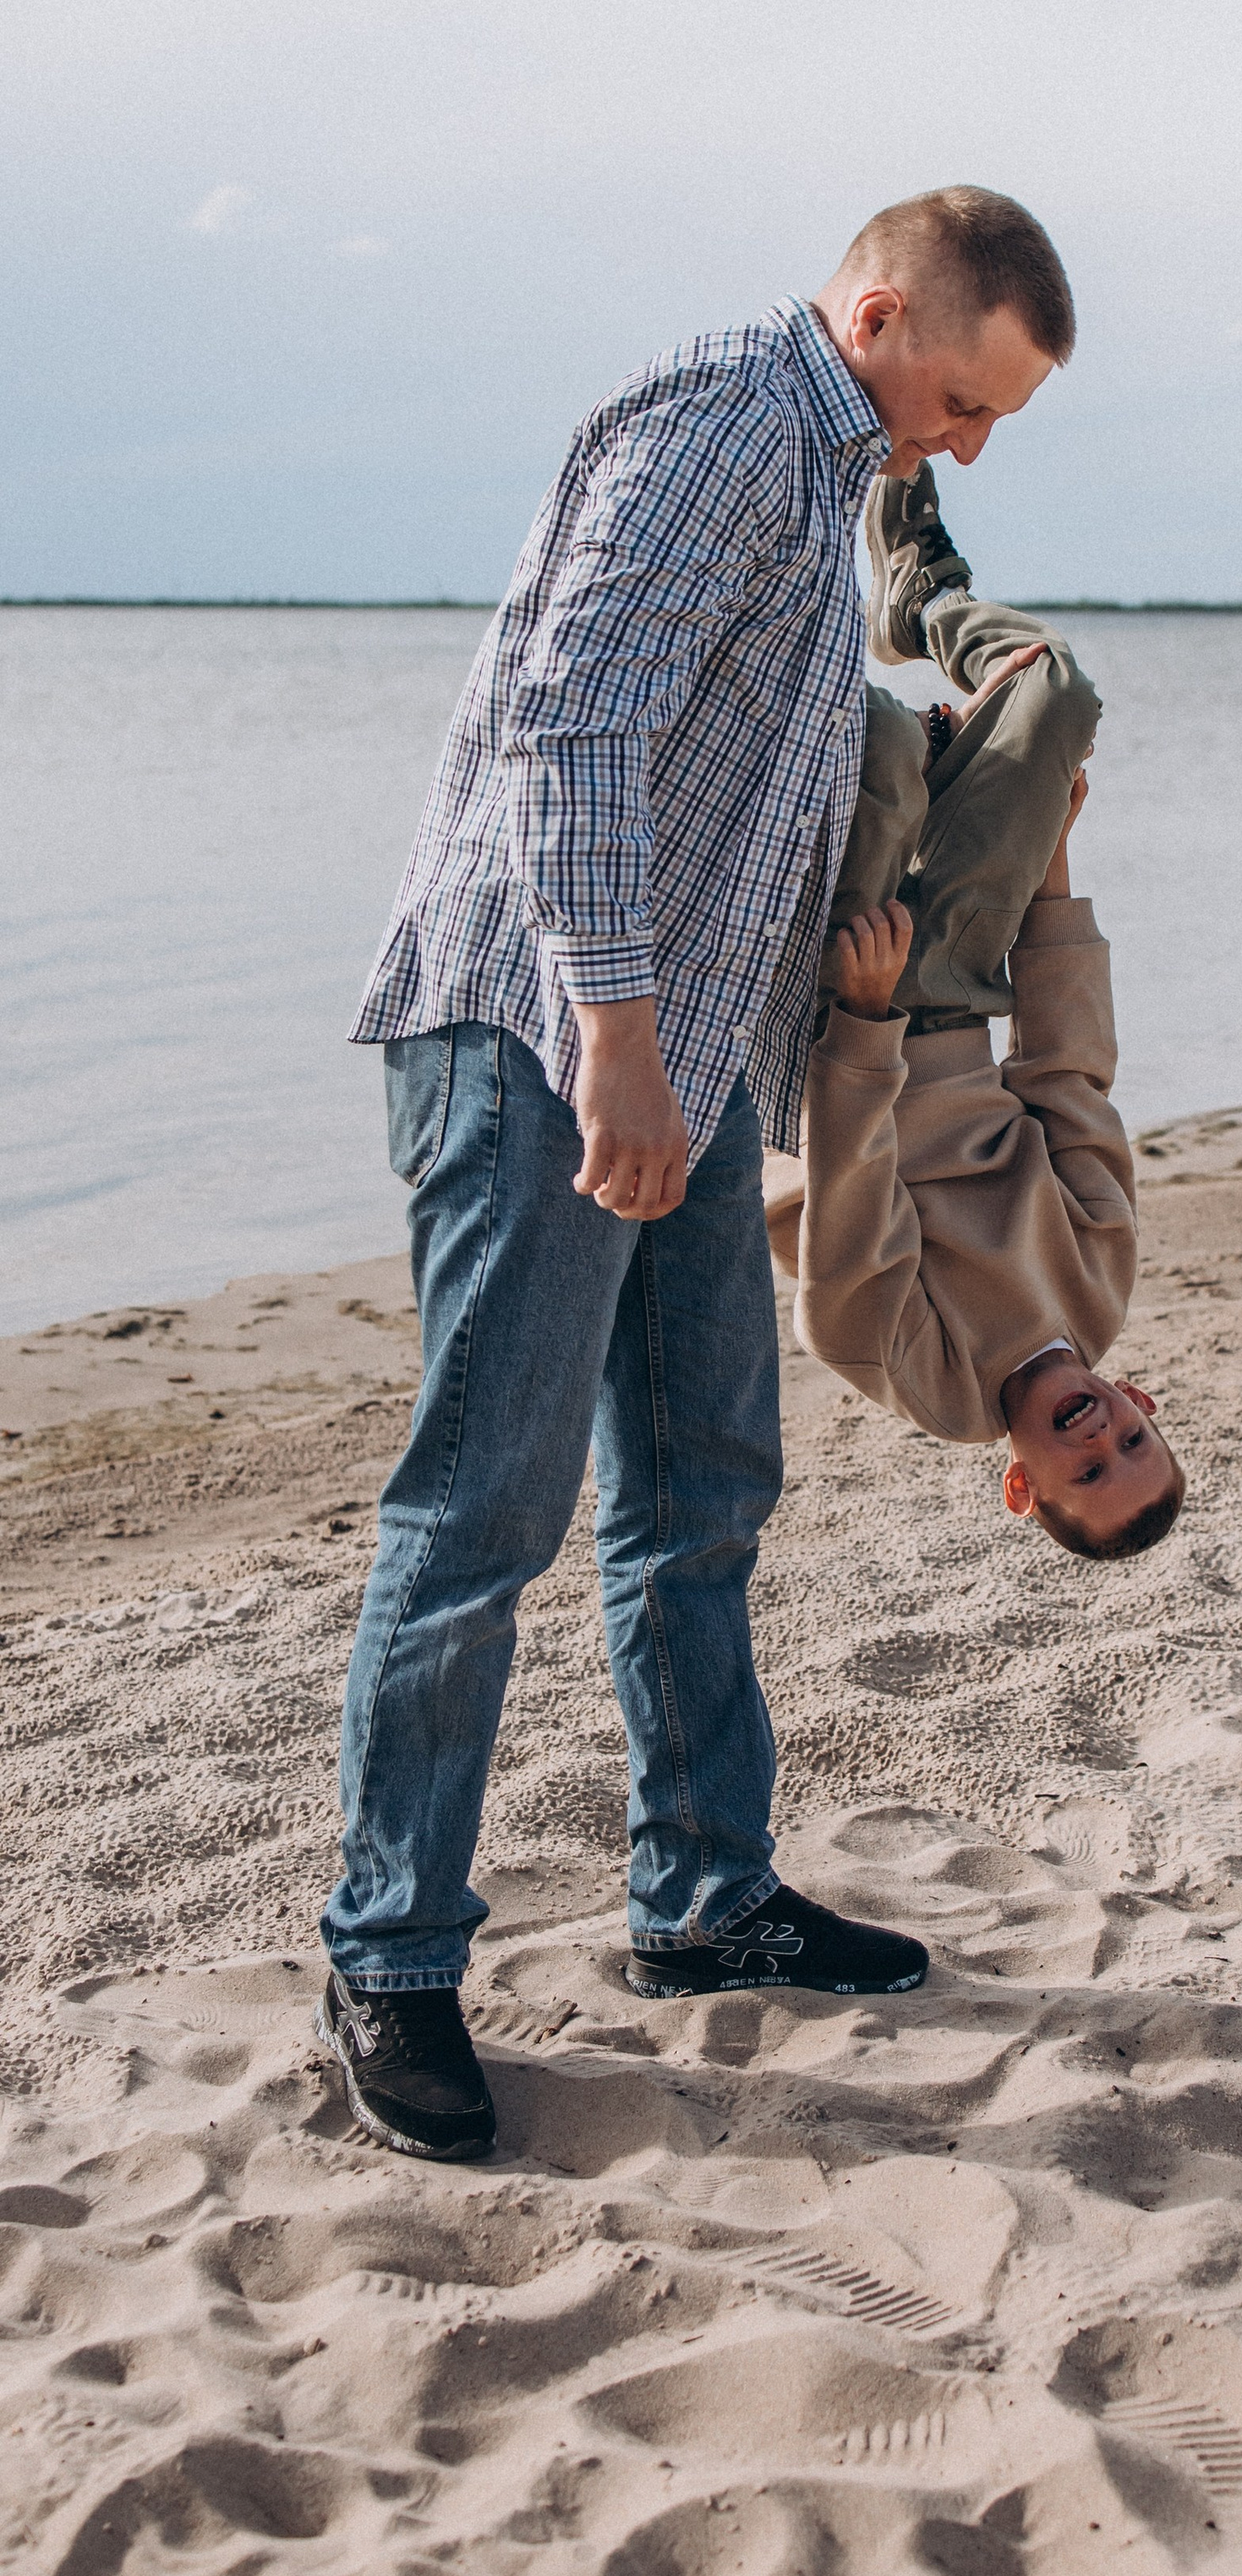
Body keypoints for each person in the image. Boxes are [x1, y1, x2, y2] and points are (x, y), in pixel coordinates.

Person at [318, 189, 1074, 2164]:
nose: (964, 445)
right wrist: (621, 1042)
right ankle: (389, 1956)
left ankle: (701, 1892)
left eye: (992, 422)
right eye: (961, 396)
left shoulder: (813, 469)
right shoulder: (725, 419)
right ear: (887, 308)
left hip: (685, 1057)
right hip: (544, 1038)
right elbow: (570, 726)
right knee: (480, 1510)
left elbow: (732, 766)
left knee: (699, 1486)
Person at [763, 472, 1185, 1559]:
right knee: (1056, 701)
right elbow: (1065, 1072)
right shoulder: (1099, 1283)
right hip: (950, 983)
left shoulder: (930, 1383)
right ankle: (919, 600)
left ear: (1019, 1486)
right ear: (1138, 1397)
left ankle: (754, 606)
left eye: (1085, 1473)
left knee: (884, 753)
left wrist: (861, 1020)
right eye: (1134, 1441)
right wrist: (1050, 858)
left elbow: (846, 1219)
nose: (1104, 1438)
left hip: (821, 1027)